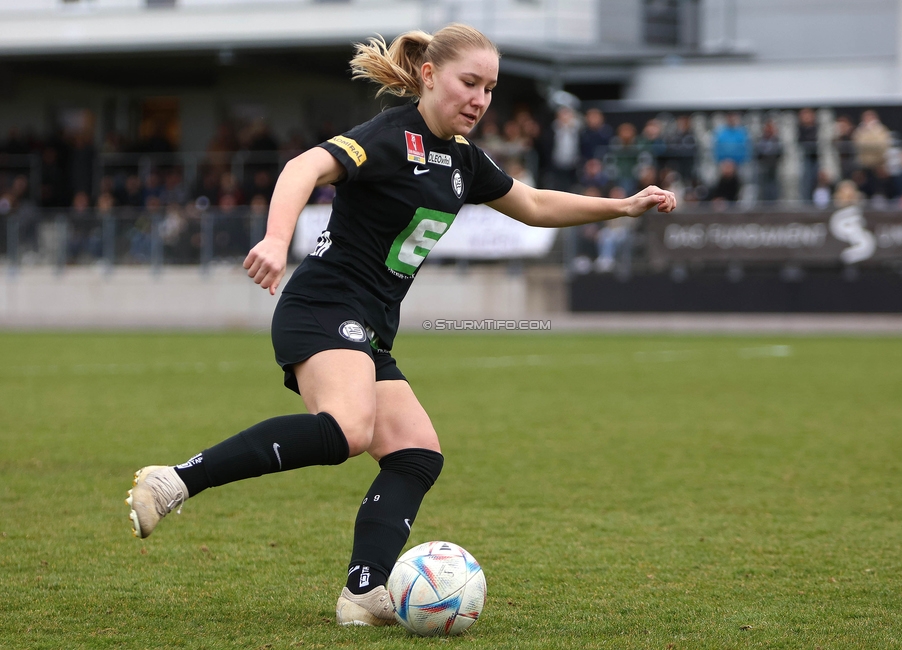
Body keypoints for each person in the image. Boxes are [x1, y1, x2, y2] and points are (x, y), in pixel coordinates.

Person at [124, 23, 676, 628]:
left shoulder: (464, 161)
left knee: (416, 454)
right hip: (324, 306)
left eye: (490, 88)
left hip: (368, 327)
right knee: (346, 431)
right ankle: (175, 481)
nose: (480, 99)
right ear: (430, 76)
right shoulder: (390, 137)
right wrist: (277, 240)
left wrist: (622, 207)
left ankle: (364, 591)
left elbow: (536, 204)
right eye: (470, 83)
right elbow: (303, 167)